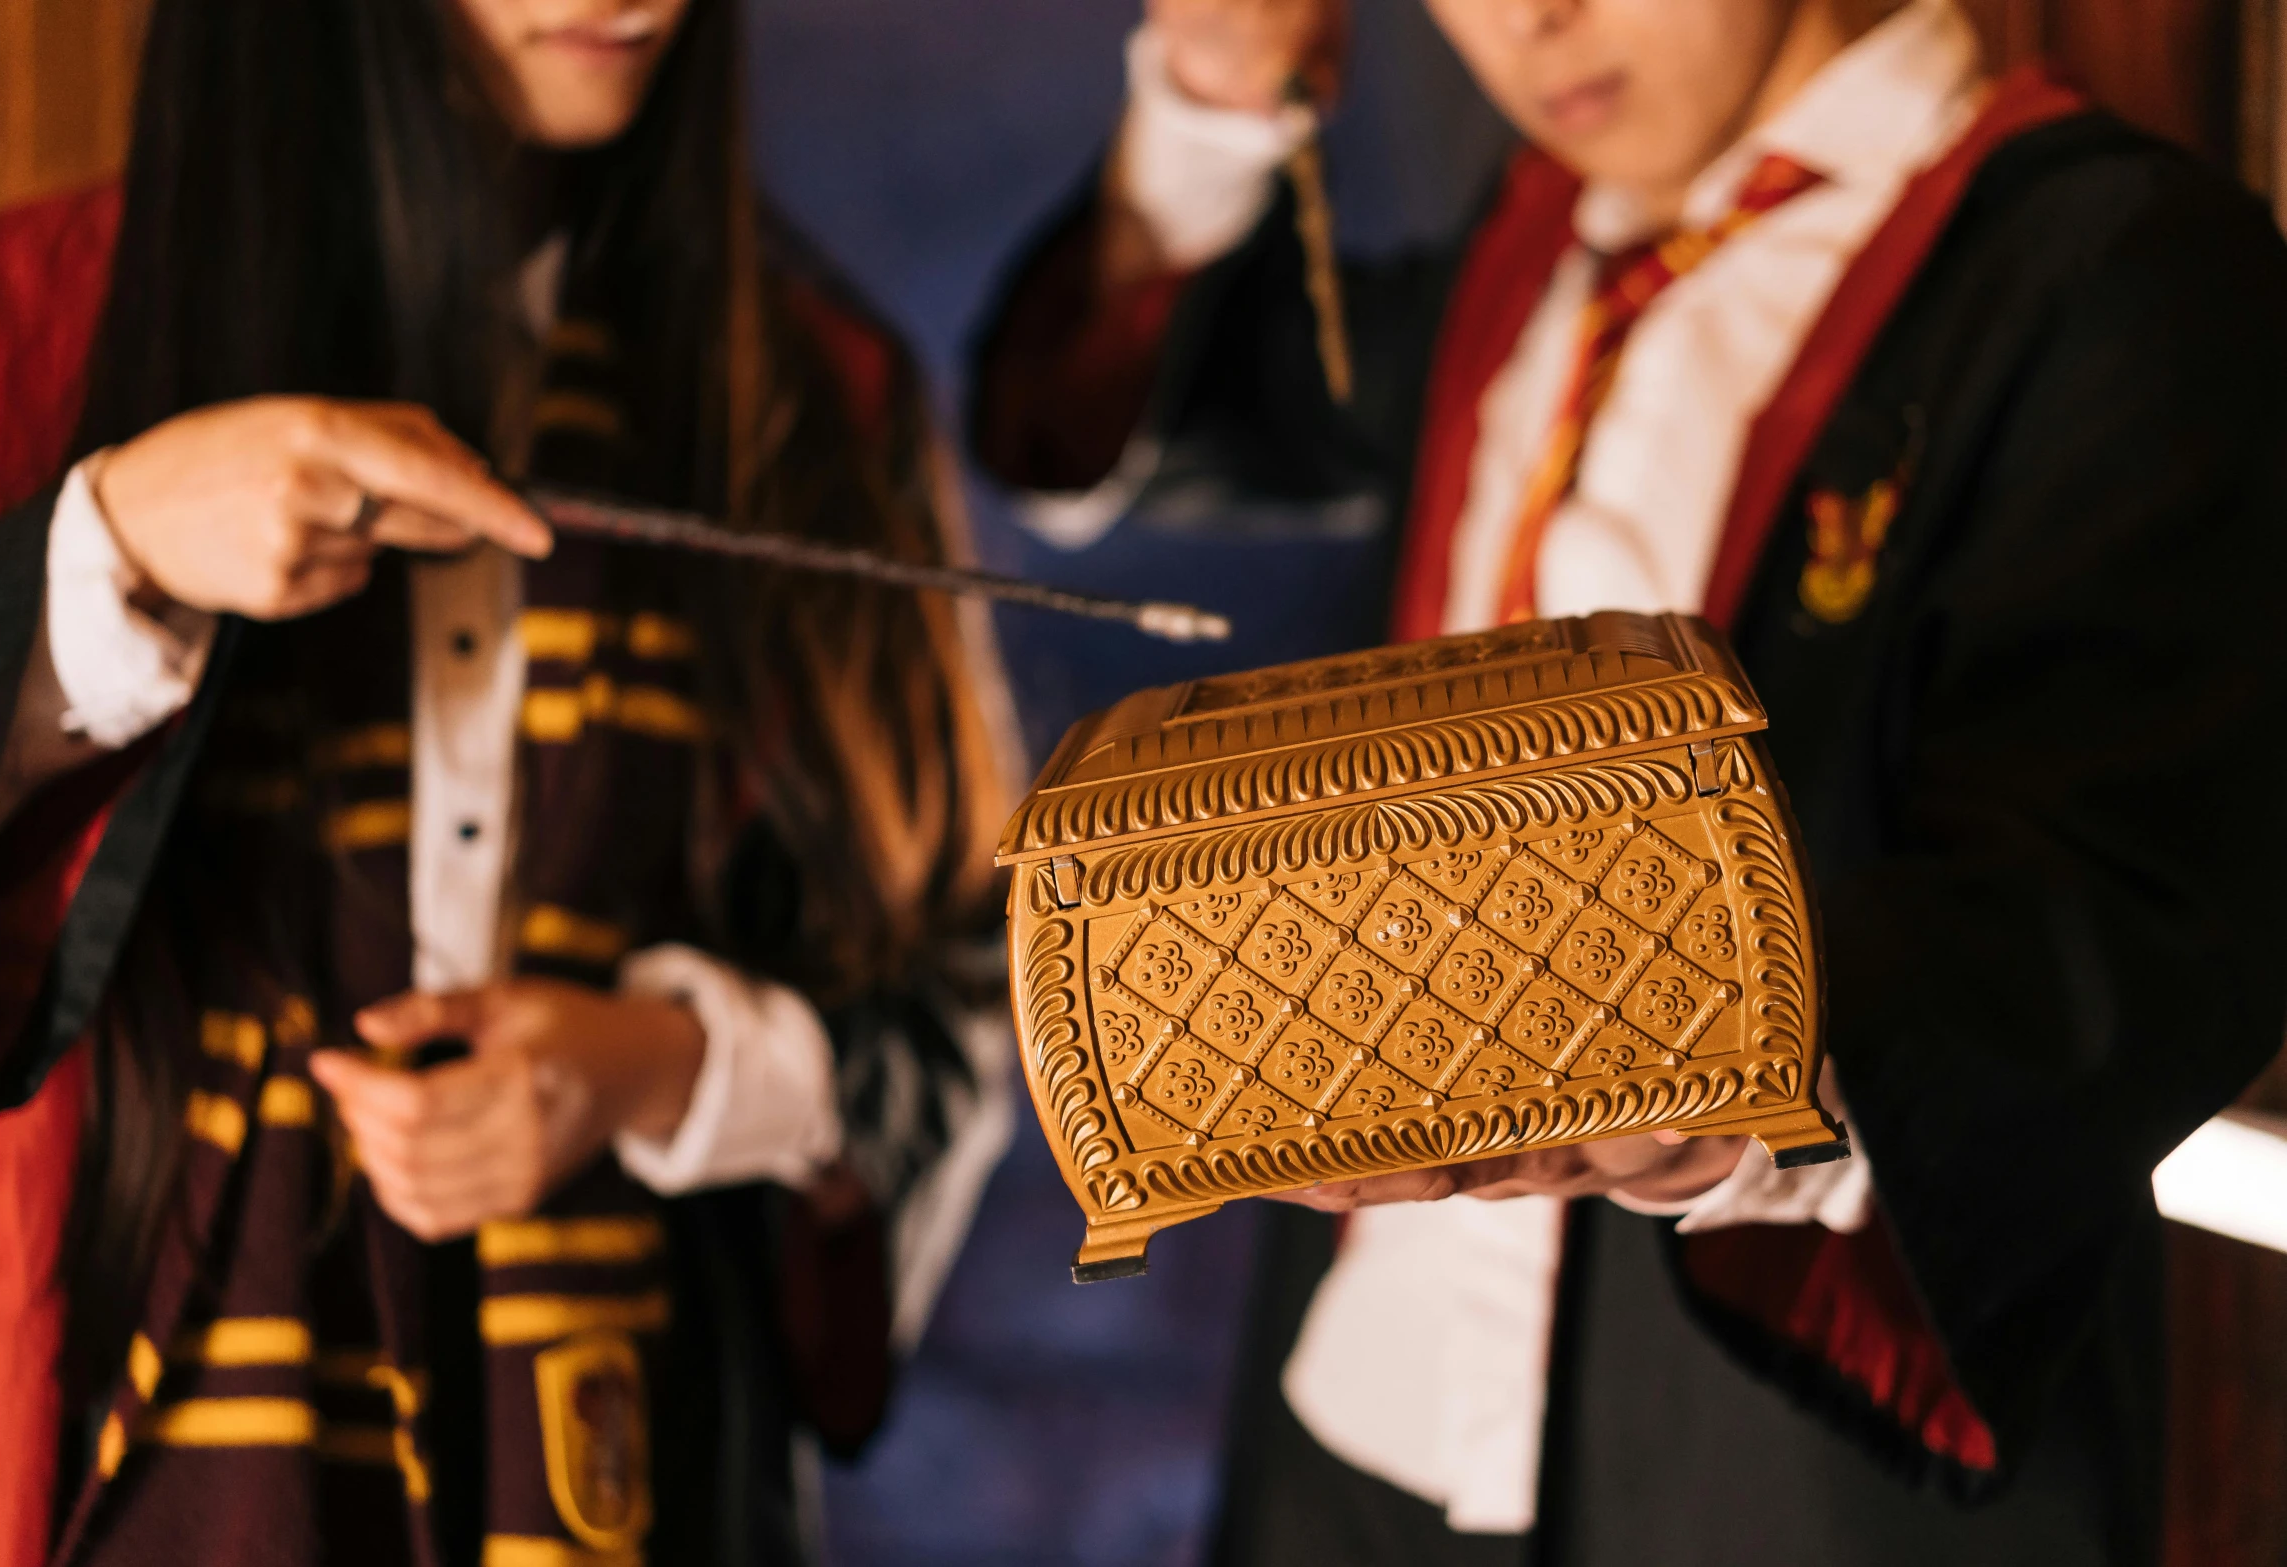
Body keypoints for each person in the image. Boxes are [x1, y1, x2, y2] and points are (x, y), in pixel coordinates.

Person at [970, 0, 2287, 1562]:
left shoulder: (2111, 257)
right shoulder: (1535, 246)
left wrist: (1735, 1065)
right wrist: (1212, 80)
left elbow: (2136, 906)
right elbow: (1110, 426)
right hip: (1360, 1420)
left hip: (1785, 1459)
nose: (1532, 24)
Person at [0, 0, 1017, 1562]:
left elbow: (956, 998)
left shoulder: (810, 398)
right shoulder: (19, 327)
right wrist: (112, 558)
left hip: (622, 1465)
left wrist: (656, 1065)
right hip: (136, 1457)